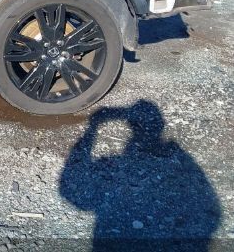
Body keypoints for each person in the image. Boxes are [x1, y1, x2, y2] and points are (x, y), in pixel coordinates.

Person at [59, 100, 220, 251]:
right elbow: (210, 212)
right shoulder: (181, 160)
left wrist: (91, 129)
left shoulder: (175, 160)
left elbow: (73, 193)